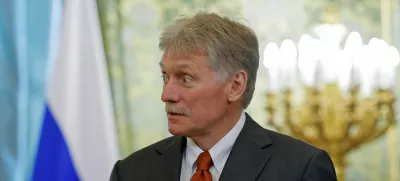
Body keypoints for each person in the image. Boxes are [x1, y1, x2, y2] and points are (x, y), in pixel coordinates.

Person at [109, 12, 337, 181]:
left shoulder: (300, 169)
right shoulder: (130, 172)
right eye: (165, 77)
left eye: (185, 78)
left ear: (235, 85)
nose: (166, 94)